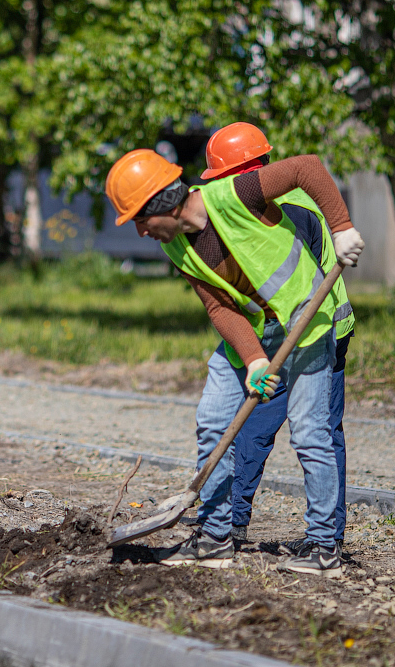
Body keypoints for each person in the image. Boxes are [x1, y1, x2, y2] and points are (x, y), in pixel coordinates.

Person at [105, 145, 363, 576]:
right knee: (211, 418)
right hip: (254, 335)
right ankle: (214, 538)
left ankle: (323, 547)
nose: (140, 233)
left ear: (162, 204)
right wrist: (255, 361)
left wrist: (342, 228)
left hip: (306, 323)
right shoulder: (175, 248)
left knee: (310, 434)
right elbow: (220, 307)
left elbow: (305, 168)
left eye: (140, 220)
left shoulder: (234, 194)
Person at [198, 124, 356, 556]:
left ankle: (240, 522)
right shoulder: (295, 198)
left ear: (246, 172)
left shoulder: (280, 208)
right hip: (317, 327)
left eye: (225, 177)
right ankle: (327, 535)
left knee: (276, 426)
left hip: (311, 331)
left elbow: (283, 284)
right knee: (322, 431)